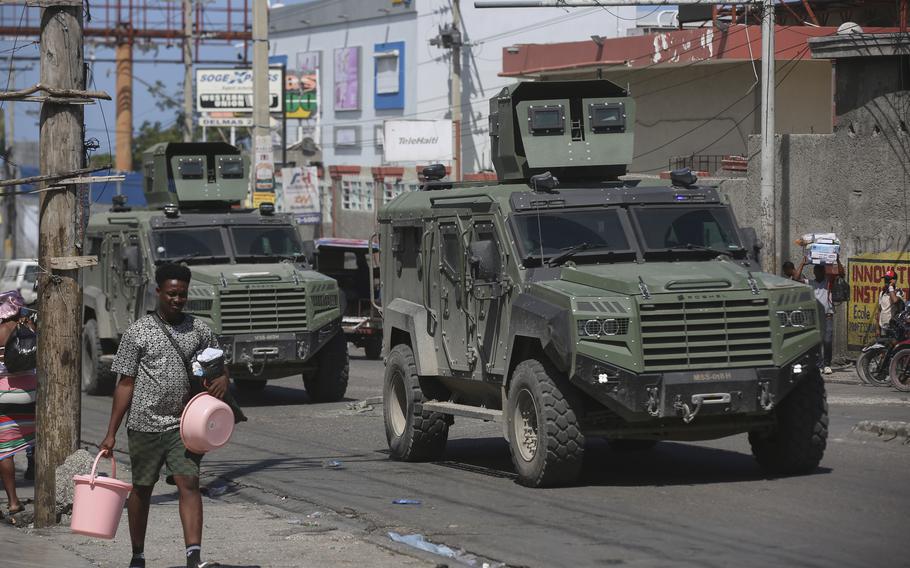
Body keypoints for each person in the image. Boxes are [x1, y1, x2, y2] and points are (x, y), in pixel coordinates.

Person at [100, 264, 229, 568]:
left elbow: (218, 363)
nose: (177, 299)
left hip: (184, 425)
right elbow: (125, 383)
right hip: (143, 424)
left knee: (189, 482)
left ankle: (194, 557)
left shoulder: (199, 329)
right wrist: (111, 433)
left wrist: (223, 377)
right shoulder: (138, 332)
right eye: (171, 293)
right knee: (142, 489)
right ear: (158, 292)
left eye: (182, 295)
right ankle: (138, 555)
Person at [0, 290, 36, 517]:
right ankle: (46, 494)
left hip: (3, 397)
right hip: (31, 394)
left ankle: (13, 501)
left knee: (5, 452)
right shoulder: (29, 328)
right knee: (35, 442)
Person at [875, 269, 904, 335]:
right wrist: (877, 328)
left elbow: (895, 300)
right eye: (885, 279)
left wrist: (891, 287)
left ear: (894, 280)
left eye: (888, 280)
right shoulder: (882, 293)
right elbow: (879, 311)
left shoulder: (898, 291)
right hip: (883, 327)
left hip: (893, 327)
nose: (885, 282)